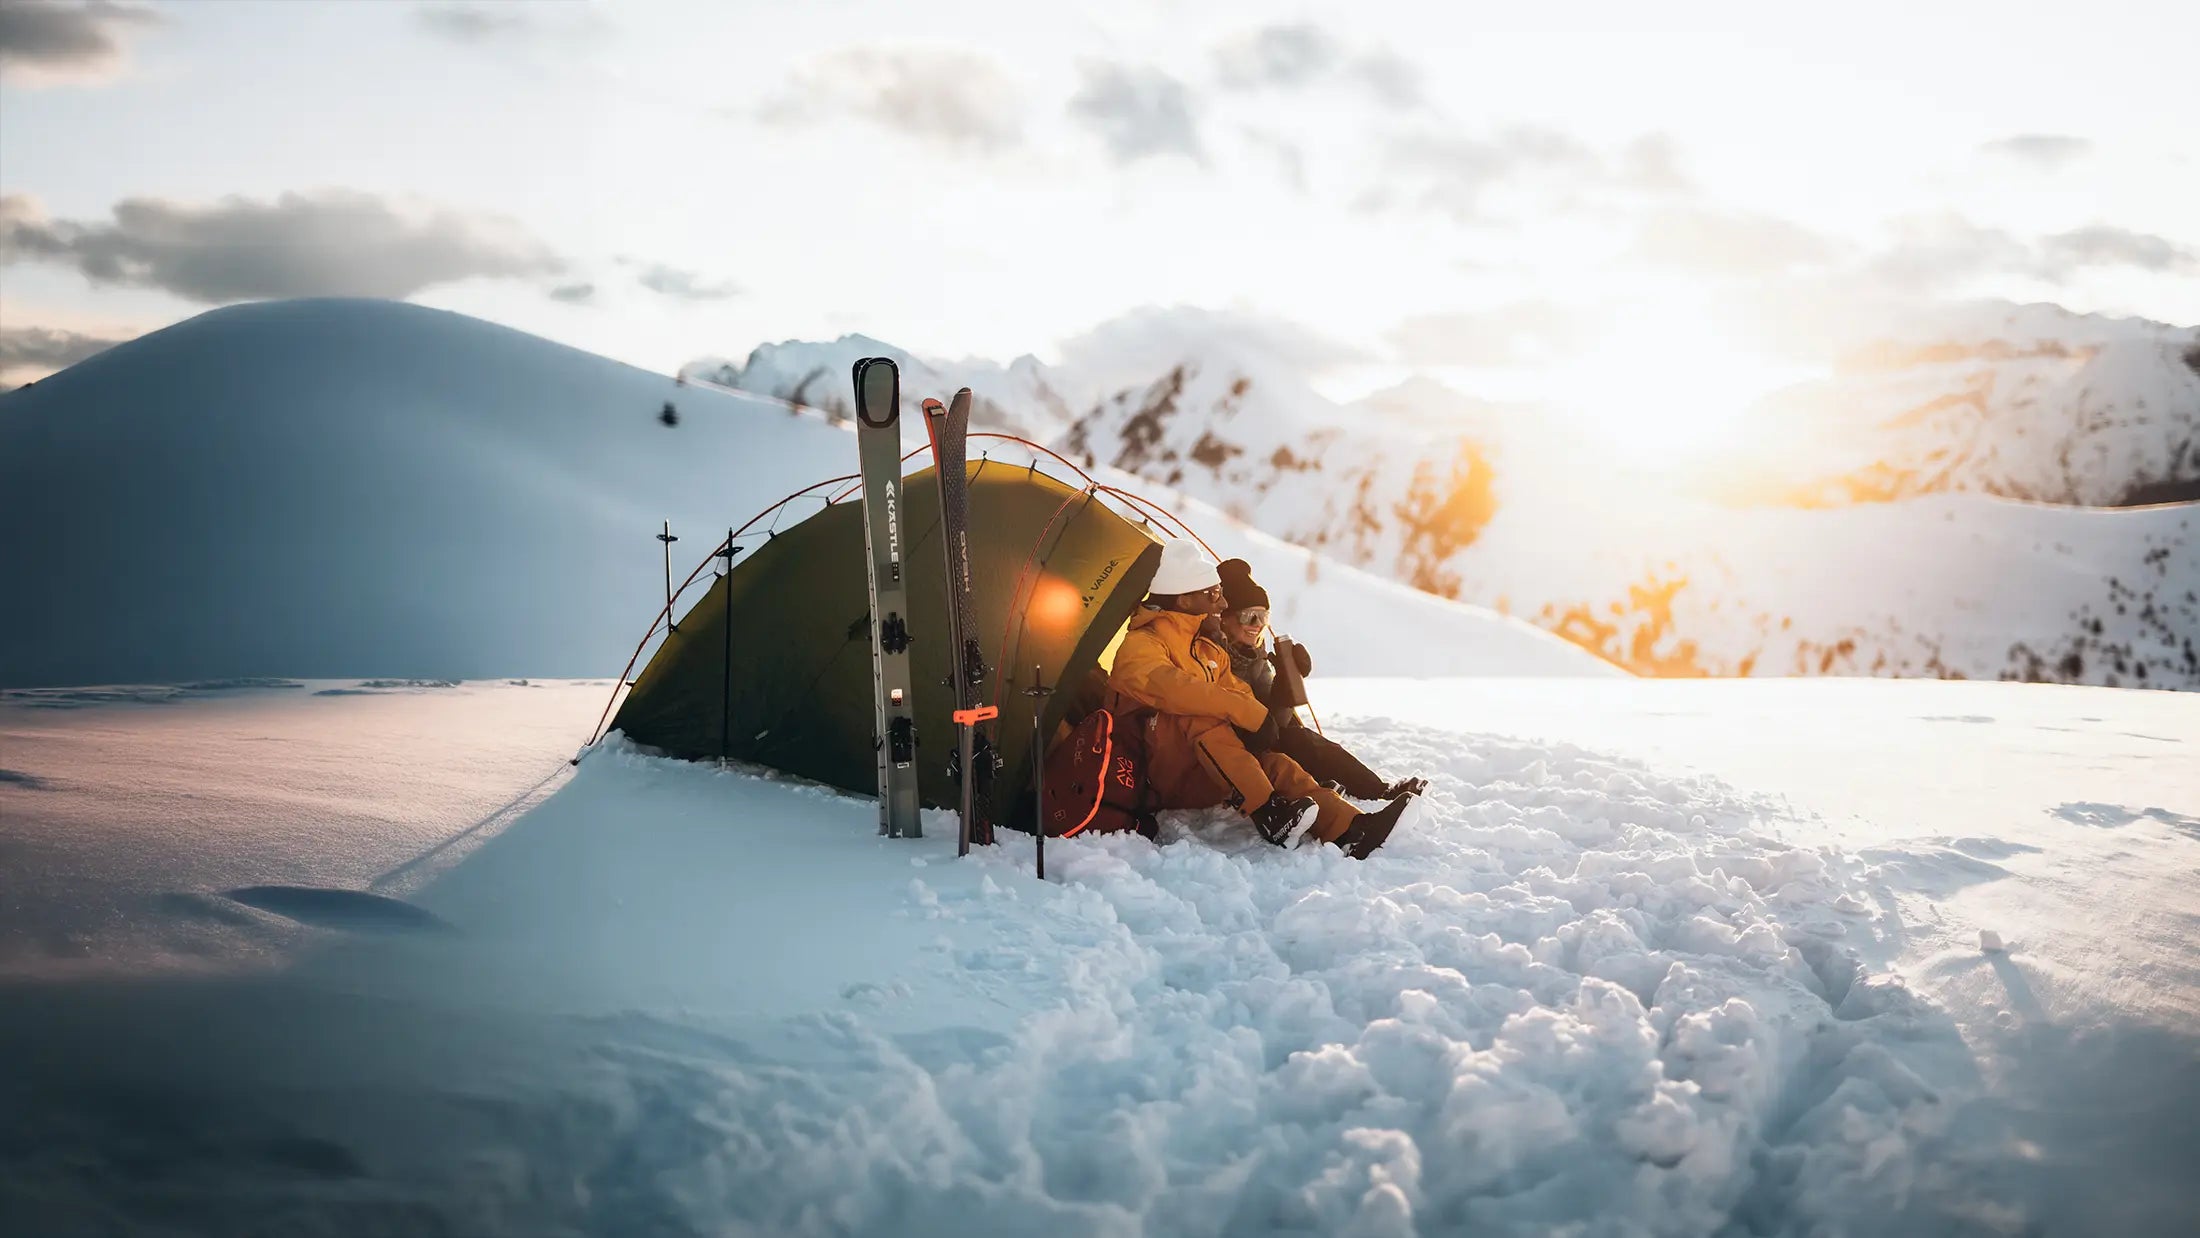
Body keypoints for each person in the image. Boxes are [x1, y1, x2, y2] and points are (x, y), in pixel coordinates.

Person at [1106, 538, 1410, 858]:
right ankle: (1266, 811)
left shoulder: (1207, 650)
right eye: (1213, 594)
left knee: (1275, 765)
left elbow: (1238, 692)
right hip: (1151, 775)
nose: (1222, 604)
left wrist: (1260, 716)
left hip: (1201, 770)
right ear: (1183, 600)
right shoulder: (1140, 645)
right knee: (1196, 712)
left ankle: (1352, 829)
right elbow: (1175, 689)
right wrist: (1245, 712)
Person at [1212, 558, 1428, 801]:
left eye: (1263, 617)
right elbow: (1257, 723)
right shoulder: (1214, 655)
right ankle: (1368, 790)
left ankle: (1364, 787)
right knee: (1296, 737)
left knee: (1296, 730)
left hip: (1259, 734)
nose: (1257, 625)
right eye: (1248, 616)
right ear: (1224, 618)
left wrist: (1288, 678)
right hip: (1228, 748)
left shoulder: (1253, 656)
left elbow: (1277, 720)